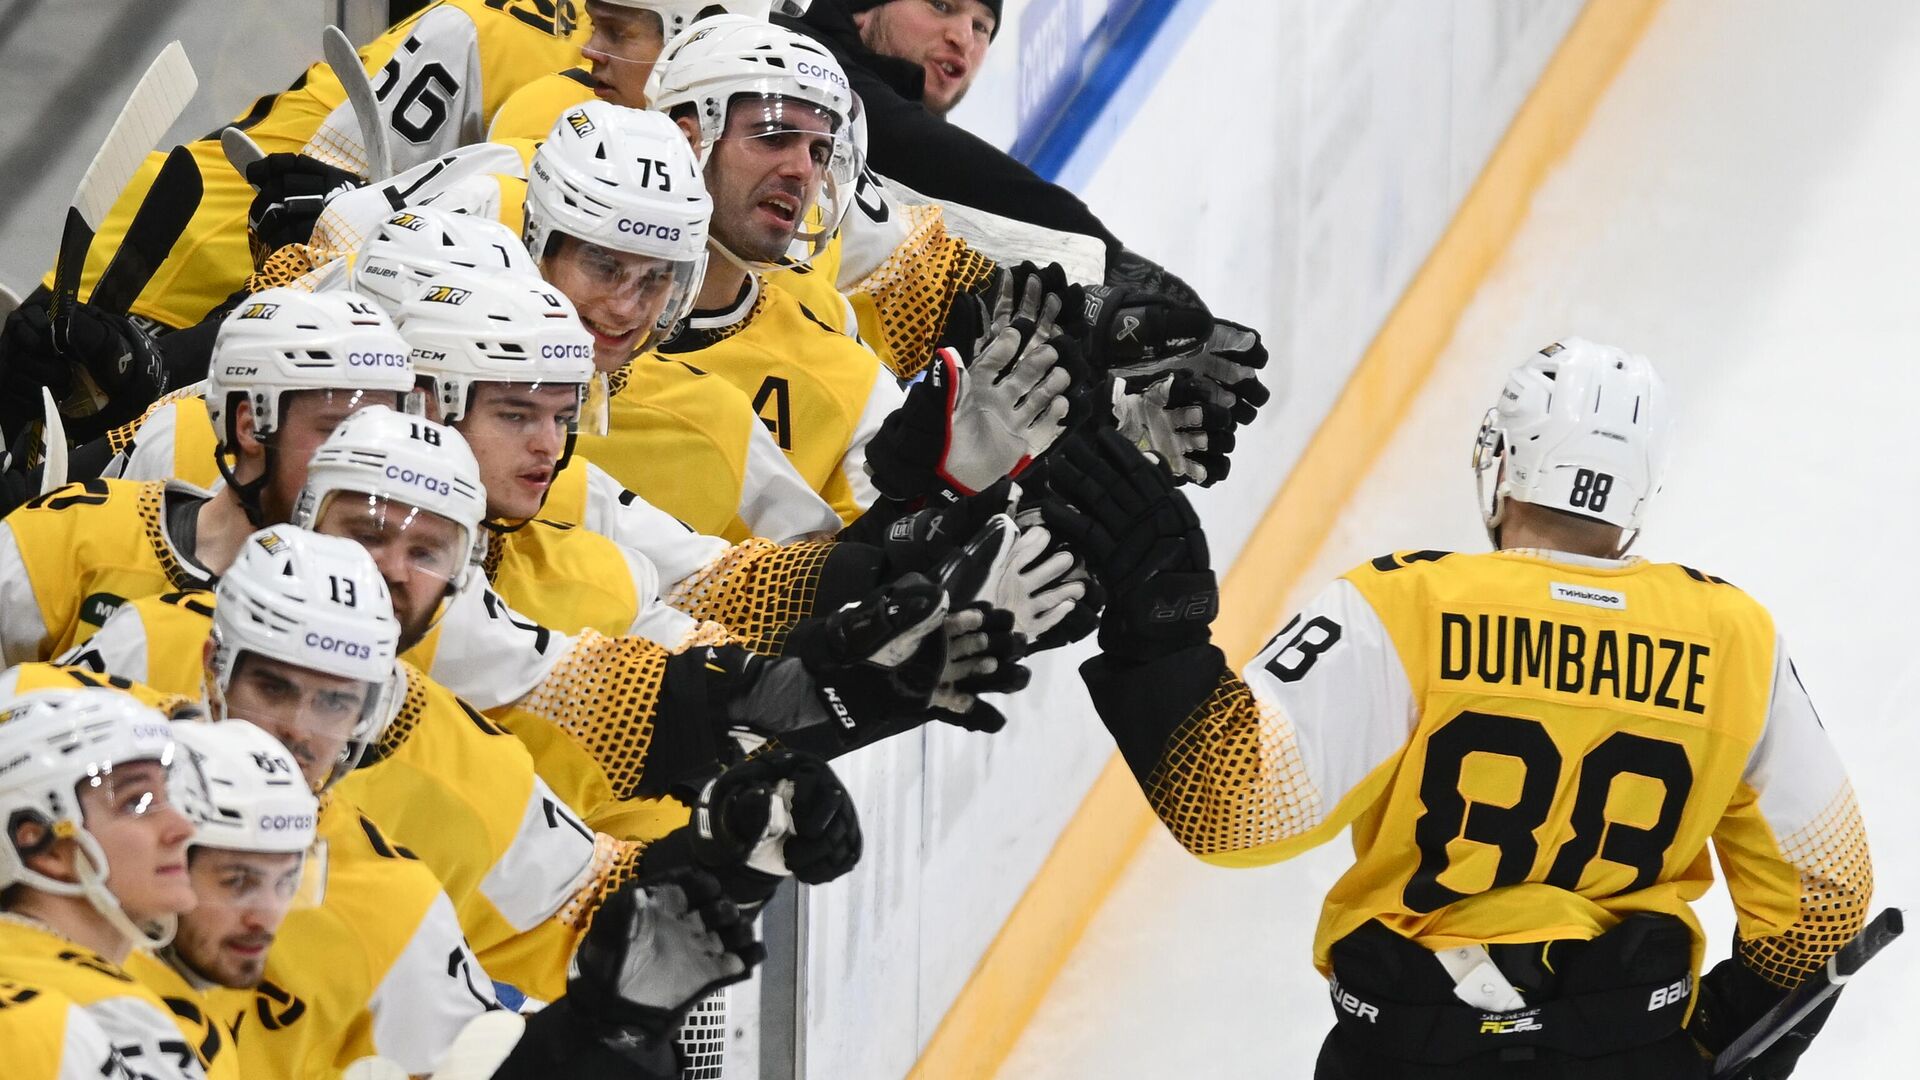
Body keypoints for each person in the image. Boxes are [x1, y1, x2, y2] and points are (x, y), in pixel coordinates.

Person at [1048, 342, 1873, 1079]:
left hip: (1411, 1049)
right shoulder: (1734, 637)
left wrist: (1160, 636)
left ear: (1505, 461)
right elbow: (1828, 897)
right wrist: (1727, 1029)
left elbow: (1233, 809)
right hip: (1631, 1050)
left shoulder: (1406, 604)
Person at [0, 685, 211, 1079]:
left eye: (168, 794)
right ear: (43, 845)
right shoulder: (103, 1015)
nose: (182, 827)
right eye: (137, 802)